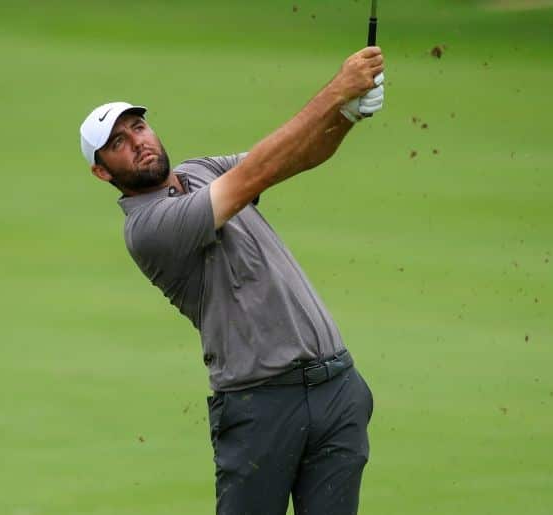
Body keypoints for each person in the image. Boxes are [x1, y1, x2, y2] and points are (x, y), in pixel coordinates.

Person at [78, 46, 385, 515]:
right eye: (117, 142)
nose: (137, 141)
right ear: (102, 172)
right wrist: (336, 91)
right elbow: (252, 174)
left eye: (138, 126)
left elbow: (295, 156)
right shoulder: (148, 229)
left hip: (336, 388)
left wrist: (346, 115)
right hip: (261, 405)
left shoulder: (198, 171)